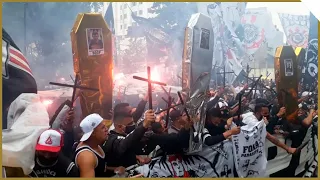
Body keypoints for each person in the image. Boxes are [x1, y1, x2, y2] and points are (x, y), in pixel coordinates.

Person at [103, 104, 155, 177]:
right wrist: (144, 125)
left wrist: (138, 158)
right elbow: (124, 143)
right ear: (120, 126)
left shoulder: (124, 133)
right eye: (130, 124)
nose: (132, 126)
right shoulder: (111, 139)